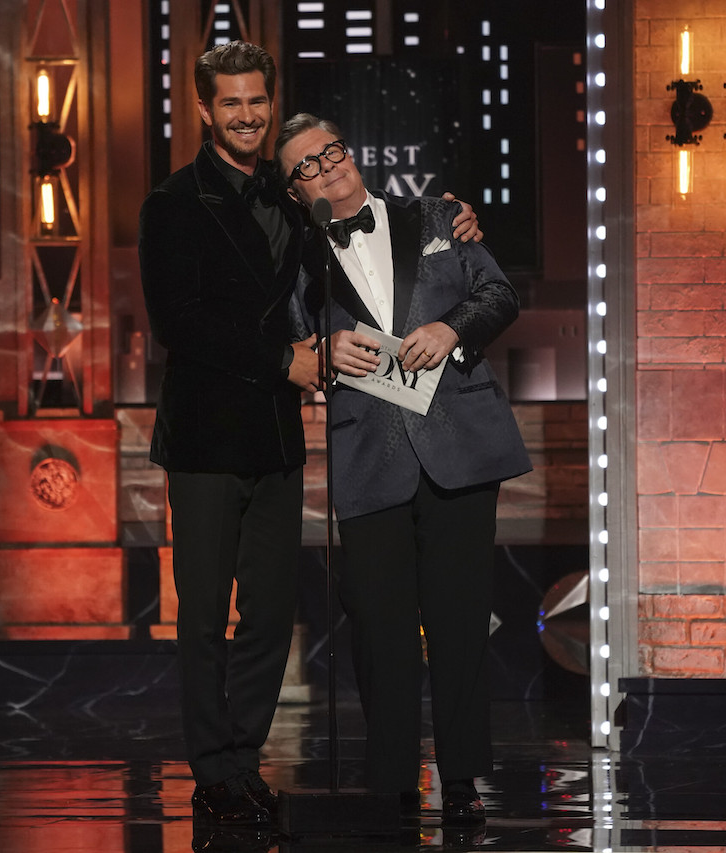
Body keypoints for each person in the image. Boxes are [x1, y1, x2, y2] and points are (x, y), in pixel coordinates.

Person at [138, 42, 483, 827]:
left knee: (268, 614)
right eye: (231, 103)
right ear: (203, 109)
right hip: (202, 440)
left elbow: (371, 240)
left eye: (257, 100)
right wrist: (285, 361)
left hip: (277, 439)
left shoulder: (295, 200)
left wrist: (455, 219)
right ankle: (213, 768)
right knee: (202, 615)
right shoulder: (171, 203)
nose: (248, 114)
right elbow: (177, 324)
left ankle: (245, 757)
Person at [277, 112, 532, 826]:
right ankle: (389, 779)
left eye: (331, 150)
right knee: (379, 628)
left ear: (350, 153)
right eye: (306, 165)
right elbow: (289, 340)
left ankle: (461, 780)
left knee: (458, 626)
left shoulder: (438, 215)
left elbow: (500, 294)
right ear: (297, 191)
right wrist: (321, 351)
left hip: (459, 446)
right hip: (369, 456)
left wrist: (453, 329)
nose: (326, 166)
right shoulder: (298, 255)